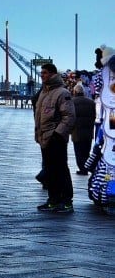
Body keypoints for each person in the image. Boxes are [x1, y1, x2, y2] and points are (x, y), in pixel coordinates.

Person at [34, 63, 75, 213]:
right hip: (44, 138)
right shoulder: (44, 93)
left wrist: (58, 134)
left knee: (61, 169)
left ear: (52, 74)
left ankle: (66, 201)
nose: (42, 75)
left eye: (44, 73)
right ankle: (53, 200)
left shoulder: (62, 93)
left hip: (55, 138)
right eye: (41, 73)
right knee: (50, 170)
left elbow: (69, 116)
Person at [71, 82, 95, 175]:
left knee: (78, 151)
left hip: (76, 131)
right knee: (86, 151)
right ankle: (86, 167)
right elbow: (94, 116)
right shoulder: (91, 102)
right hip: (88, 131)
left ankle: (82, 169)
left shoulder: (72, 102)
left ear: (75, 92)